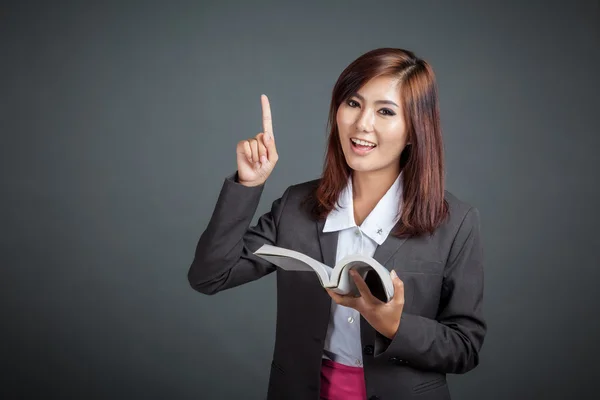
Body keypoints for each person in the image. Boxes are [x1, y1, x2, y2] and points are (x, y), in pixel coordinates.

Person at [188, 48, 486, 400]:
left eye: (385, 111)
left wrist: (393, 326)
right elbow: (210, 276)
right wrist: (248, 184)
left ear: (413, 131)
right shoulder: (297, 206)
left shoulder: (455, 221)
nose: (362, 124)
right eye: (353, 103)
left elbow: (465, 348)